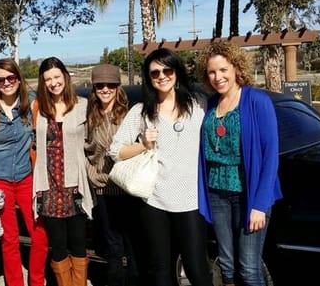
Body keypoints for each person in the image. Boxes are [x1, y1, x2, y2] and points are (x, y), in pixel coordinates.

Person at [109, 48, 212, 286]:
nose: (162, 76)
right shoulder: (141, 112)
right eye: (155, 72)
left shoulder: (199, 105)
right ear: (148, 77)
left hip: (191, 202)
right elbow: (115, 151)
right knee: (160, 272)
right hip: (154, 202)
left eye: (167, 70)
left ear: (176, 72)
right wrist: (143, 144)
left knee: (198, 270)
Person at [197, 41, 282, 286]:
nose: (218, 77)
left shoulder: (256, 101)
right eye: (212, 72)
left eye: (223, 70)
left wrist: (260, 204)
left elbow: (270, 155)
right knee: (226, 264)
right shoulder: (211, 104)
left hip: (250, 195)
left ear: (236, 68)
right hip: (217, 194)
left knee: (248, 267)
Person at [0, 59, 49, 286]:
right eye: (1, 79)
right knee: (9, 239)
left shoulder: (32, 103)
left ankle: (37, 281)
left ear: (18, 78)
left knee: (40, 234)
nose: (7, 83)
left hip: (27, 178)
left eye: (11, 78)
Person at [33, 57, 93, 286]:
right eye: (48, 79)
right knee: (57, 245)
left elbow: (92, 143)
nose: (53, 82)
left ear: (65, 77)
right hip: (49, 187)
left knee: (78, 243)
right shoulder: (39, 108)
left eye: (57, 77)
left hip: (75, 186)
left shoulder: (82, 105)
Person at [85, 64, 141, 286]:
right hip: (104, 188)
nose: (105, 89)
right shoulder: (89, 116)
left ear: (118, 87)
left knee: (134, 244)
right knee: (113, 247)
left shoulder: (131, 114)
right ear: (94, 88)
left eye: (111, 85)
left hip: (129, 188)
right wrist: (92, 175)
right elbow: (86, 150)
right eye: (100, 85)